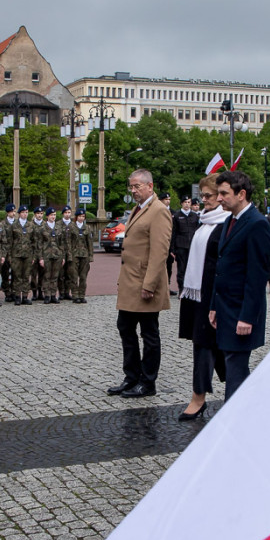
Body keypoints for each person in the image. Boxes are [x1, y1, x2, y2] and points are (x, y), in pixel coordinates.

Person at [108, 169, 172, 399]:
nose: (133, 191)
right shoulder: (139, 208)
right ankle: (131, 377)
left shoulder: (159, 211)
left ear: (150, 186)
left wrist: (150, 284)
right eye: (131, 186)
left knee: (149, 333)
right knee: (125, 327)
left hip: (145, 283)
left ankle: (148, 382)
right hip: (130, 282)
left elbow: (159, 252)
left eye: (136, 186)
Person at [209, 170, 270, 401]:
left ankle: (233, 418)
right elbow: (222, 267)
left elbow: (257, 276)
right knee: (231, 363)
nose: (219, 199)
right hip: (225, 308)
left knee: (236, 367)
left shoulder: (257, 224)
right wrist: (215, 305)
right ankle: (241, 412)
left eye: (224, 193)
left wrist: (247, 316)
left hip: (241, 311)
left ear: (241, 194)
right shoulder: (230, 221)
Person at [177, 175, 230, 421]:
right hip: (197, 295)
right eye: (203, 196)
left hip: (215, 296)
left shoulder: (228, 223)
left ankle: (199, 397)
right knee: (206, 345)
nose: (205, 200)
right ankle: (236, 388)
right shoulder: (204, 221)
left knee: (208, 346)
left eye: (209, 195)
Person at [169, 196, 200, 295]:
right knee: (181, 269)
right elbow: (174, 232)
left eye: (189, 202)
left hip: (192, 246)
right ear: (181, 203)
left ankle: (191, 290)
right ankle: (182, 289)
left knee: (192, 269)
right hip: (181, 246)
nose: (187, 204)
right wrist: (172, 249)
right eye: (185, 202)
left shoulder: (194, 216)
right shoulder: (177, 216)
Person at [37, 206, 66, 304]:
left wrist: (63, 257)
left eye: (54, 215)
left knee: (55, 276)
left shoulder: (59, 228)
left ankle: (53, 294)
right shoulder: (42, 228)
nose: (53, 217)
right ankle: (47, 295)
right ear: (47, 216)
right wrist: (40, 258)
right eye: (51, 215)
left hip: (57, 255)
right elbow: (39, 244)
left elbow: (62, 243)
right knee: (47, 276)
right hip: (46, 255)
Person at [7, 205, 34, 305]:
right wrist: (9, 256)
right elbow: (9, 241)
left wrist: (33, 256)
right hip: (16, 254)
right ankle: (17, 296)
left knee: (26, 276)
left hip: (28, 254)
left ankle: (25, 296)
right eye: (23, 212)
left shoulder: (31, 225)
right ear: (19, 214)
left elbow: (34, 241)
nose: (25, 214)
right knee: (17, 276)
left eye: (26, 212)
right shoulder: (14, 225)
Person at [67, 207, 95, 303]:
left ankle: (82, 295)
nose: (81, 218)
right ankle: (75, 295)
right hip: (74, 254)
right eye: (80, 216)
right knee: (73, 276)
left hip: (84, 255)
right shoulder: (71, 227)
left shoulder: (87, 228)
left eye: (83, 216)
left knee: (83, 276)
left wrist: (91, 256)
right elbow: (68, 243)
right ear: (76, 217)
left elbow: (90, 243)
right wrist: (69, 255)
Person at [58, 206, 74, 301]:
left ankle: (67, 292)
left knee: (69, 274)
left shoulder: (73, 225)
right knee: (61, 274)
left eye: (69, 212)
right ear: (63, 214)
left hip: (71, 253)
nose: (68, 214)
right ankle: (61, 292)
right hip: (61, 252)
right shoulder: (58, 225)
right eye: (66, 212)